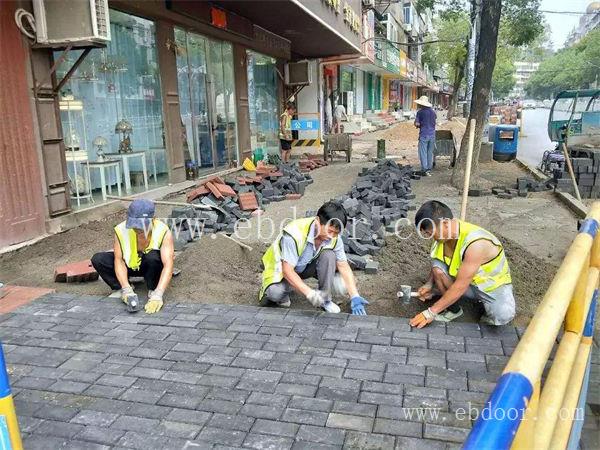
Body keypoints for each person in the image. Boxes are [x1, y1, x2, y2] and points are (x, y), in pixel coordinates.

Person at [409, 200, 515, 328]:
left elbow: (460, 285)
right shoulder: (443, 237)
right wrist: (429, 284)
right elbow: (439, 259)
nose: (432, 238)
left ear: (445, 224)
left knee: (502, 315)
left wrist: (430, 313)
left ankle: (488, 316)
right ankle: (454, 310)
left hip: (490, 287)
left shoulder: (476, 244)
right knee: (437, 268)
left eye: (431, 233)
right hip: (467, 283)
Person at [259, 201, 369, 315]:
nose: (332, 236)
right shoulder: (294, 233)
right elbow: (287, 270)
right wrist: (310, 293)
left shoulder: (334, 238)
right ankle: (286, 290)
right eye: (329, 231)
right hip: (281, 271)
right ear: (317, 221)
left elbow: (343, 265)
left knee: (329, 255)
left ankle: (325, 299)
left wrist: (354, 295)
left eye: (336, 233)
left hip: (304, 266)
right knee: (275, 293)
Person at [91, 199, 174, 314]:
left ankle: (153, 288)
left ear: (153, 219)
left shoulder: (163, 231)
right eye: (134, 225)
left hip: (150, 266)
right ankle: (124, 287)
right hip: (129, 264)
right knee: (98, 259)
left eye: (141, 226)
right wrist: (126, 289)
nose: (137, 229)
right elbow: (119, 261)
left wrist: (159, 294)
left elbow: (168, 265)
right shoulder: (120, 230)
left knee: (152, 256)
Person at [414, 95, 437, 176]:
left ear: (421, 104)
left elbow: (417, 124)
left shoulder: (420, 112)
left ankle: (424, 169)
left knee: (423, 152)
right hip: (432, 135)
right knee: (429, 152)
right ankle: (429, 168)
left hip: (424, 134)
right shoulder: (433, 112)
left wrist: (418, 125)